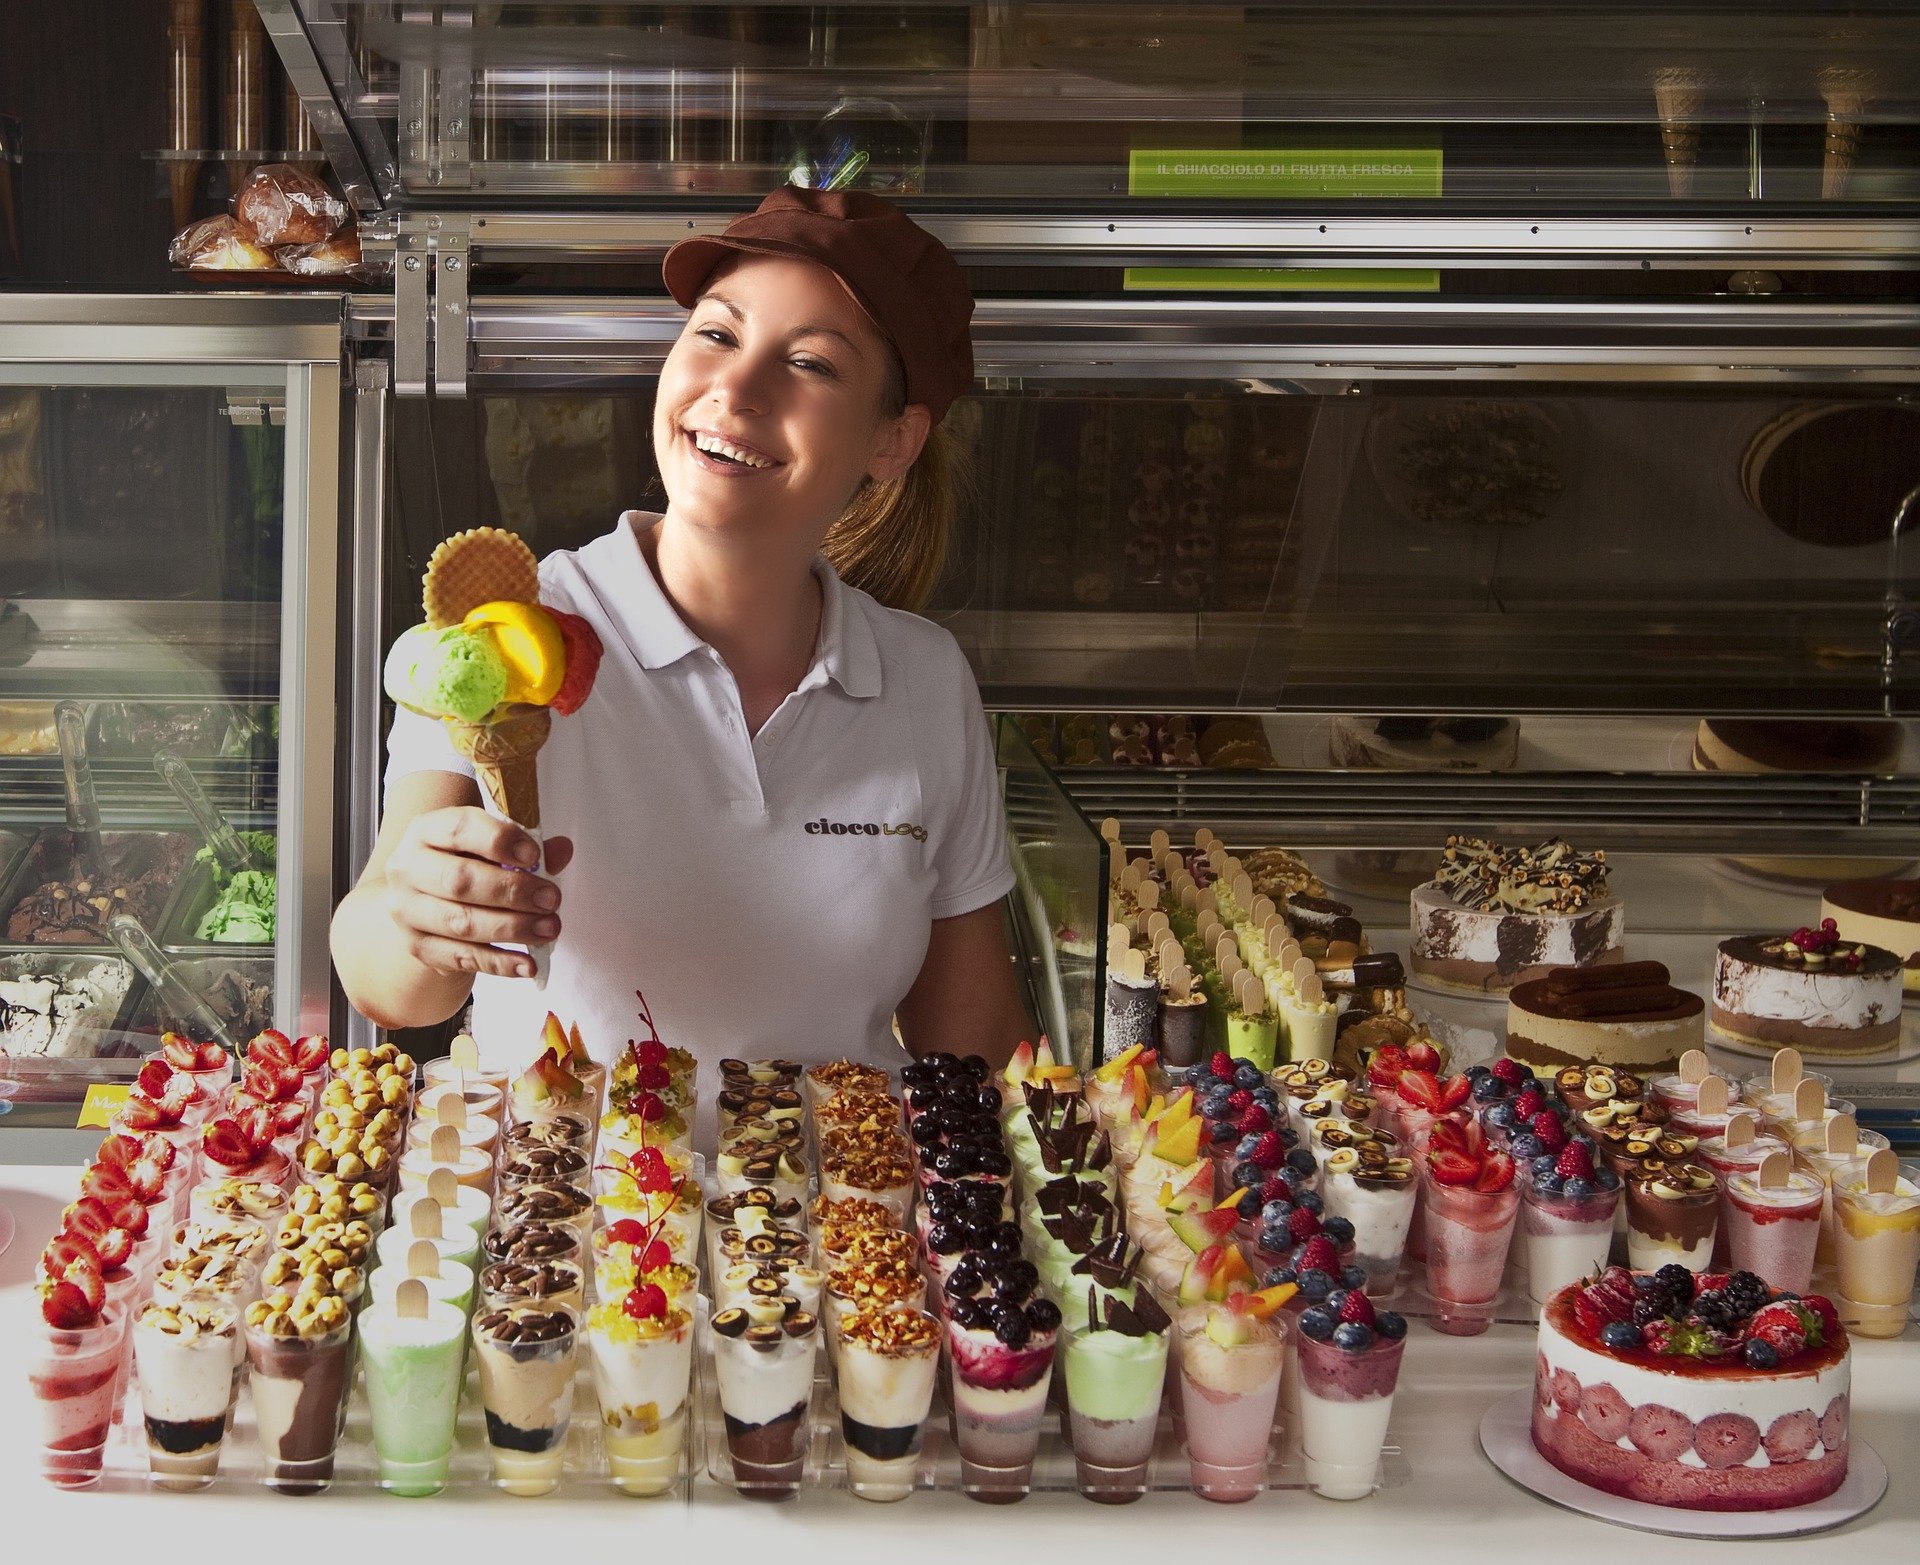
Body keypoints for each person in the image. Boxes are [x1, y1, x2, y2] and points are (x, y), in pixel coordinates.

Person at [331, 187, 1032, 1133]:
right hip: (572, 1234)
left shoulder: (925, 680)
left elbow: (972, 1043)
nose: (735, 390)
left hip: (844, 1241)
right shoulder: (510, 633)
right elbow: (386, 976)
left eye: (811, 362)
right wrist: (419, 912)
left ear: (893, 439)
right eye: (715, 334)